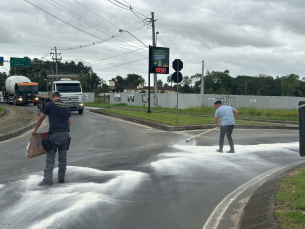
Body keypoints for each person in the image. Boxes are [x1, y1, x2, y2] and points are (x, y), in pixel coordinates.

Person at [31, 91, 71, 185]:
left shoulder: (50, 105)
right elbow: (70, 122)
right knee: (63, 158)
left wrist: (34, 130)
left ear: (52, 97)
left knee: (50, 158)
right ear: (60, 97)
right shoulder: (66, 106)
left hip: (54, 134)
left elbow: (40, 119)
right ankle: (61, 179)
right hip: (65, 134)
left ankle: (48, 180)